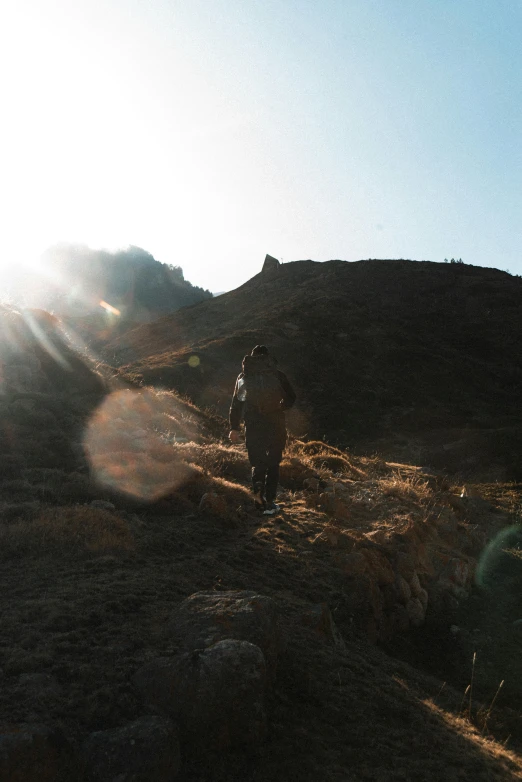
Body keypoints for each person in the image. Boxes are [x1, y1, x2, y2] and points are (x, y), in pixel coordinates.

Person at [229, 345, 296, 515]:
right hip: (276, 423)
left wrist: (234, 428)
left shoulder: (244, 376)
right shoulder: (277, 374)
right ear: (267, 358)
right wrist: (281, 407)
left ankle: (258, 500)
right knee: (273, 462)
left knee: (257, 462)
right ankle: (271, 502)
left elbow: (236, 404)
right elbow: (291, 398)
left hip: (253, 424)